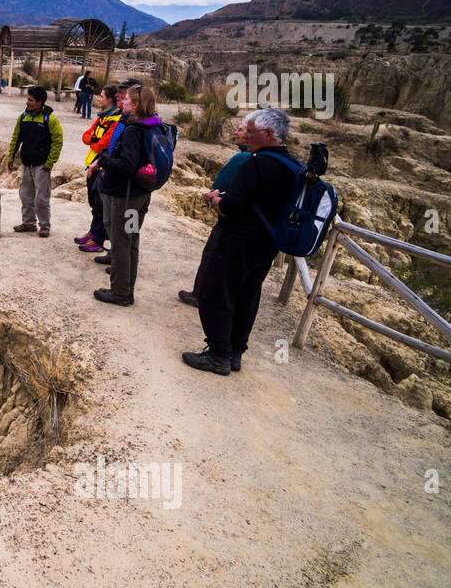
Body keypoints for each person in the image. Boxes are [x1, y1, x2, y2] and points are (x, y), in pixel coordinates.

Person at [182, 107, 298, 375]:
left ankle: (218, 355)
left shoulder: (256, 164)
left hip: (238, 241)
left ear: (269, 133)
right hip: (267, 245)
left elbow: (231, 207)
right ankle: (234, 353)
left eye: (251, 131)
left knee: (217, 294)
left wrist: (214, 200)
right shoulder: (291, 165)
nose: (247, 137)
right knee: (247, 296)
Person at [86, 84, 163, 305]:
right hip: (140, 195)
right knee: (131, 241)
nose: (123, 102)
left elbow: (126, 165)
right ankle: (127, 288)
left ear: (136, 104)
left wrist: (103, 159)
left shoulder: (133, 131)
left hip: (125, 196)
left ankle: (120, 292)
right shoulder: (152, 126)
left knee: (121, 243)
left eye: (127, 100)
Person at [177, 120, 251, 307]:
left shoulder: (242, 158)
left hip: (230, 216)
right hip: (249, 224)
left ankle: (199, 294)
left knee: (211, 254)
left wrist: (215, 197)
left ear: (251, 134)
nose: (235, 132)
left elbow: (220, 183)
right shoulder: (261, 158)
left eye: (240, 130)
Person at [8, 85, 63, 238]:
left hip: (41, 166)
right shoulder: (23, 117)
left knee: (41, 198)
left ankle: (44, 226)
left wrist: (49, 163)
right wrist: (10, 158)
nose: (27, 102)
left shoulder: (50, 119)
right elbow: (16, 138)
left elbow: (57, 142)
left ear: (40, 103)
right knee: (25, 195)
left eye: (30, 100)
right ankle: (29, 223)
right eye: (27, 99)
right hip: (26, 164)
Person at [75, 84, 123, 253]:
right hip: (92, 162)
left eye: (102, 96)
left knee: (100, 202)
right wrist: (95, 139)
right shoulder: (102, 118)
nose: (99, 98)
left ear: (110, 99)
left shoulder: (115, 120)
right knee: (94, 202)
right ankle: (93, 233)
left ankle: (98, 238)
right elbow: (85, 136)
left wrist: (94, 139)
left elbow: (104, 143)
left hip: (101, 164)